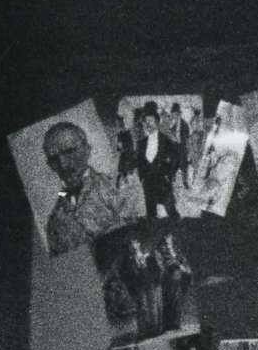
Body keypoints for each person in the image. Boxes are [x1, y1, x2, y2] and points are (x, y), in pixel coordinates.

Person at [42, 121, 144, 256]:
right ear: (50, 165)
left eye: (69, 152)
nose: (63, 164)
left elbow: (140, 234)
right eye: (54, 159)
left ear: (87, 150)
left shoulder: (118, 189)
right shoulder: (54, 223)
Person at [119, 100, 182, 220]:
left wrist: (170, 174)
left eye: (151, 121)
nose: (148, 124)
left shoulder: (166, 140)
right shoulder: (142, 143)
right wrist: (140, 175)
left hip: (162, 182)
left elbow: (177, 157)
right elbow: (139, 160)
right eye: (146, 121)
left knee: (172, 212)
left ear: (157, 122)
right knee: (151, 215)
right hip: (148, 183)